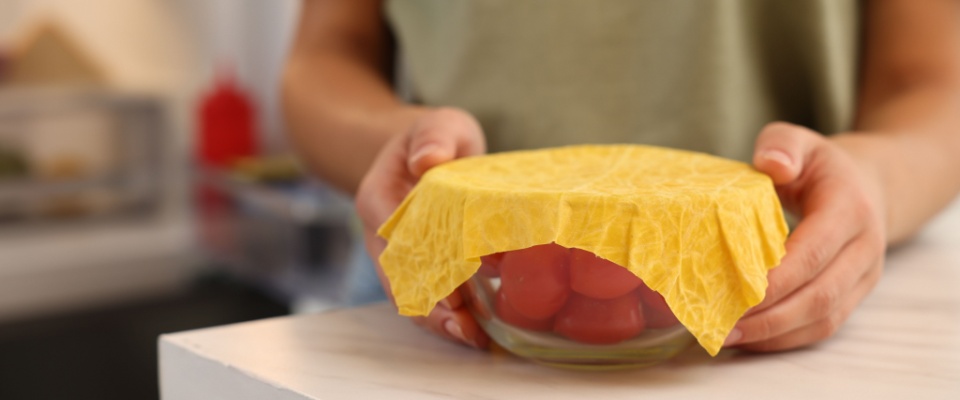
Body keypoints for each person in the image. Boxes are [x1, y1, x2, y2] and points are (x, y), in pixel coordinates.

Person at [282, 0, 960, 352]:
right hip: (450, 300)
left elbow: (932, 82)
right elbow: (324, 55)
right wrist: (394, 146)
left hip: (779, 299)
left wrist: (875, 180)